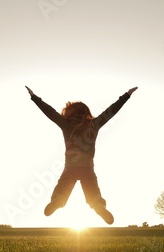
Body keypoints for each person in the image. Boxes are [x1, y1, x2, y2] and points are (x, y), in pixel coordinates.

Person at [26, 85, 138, 224]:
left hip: (70, 167)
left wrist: (34, 97)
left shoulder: (66, 124)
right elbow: (111, 111)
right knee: (93, 194)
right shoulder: (94, 124)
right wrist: (127, 95)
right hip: (87, 168)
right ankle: (98, 206)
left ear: (70, 113)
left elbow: (50, 112)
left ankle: (58, 200)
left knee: (61, 190)